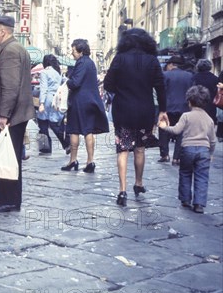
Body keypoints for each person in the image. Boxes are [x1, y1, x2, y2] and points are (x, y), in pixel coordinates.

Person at [103, 28, 167, 207]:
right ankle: (138, 183)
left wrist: (122, 90)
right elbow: (161, 87)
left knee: (122, 149)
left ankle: (122, 191)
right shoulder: (152, 60)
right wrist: (162, 109)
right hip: (145, 110)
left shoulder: (119, 59)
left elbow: (108, 84)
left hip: (123, 110)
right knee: (140, 148)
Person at [0, 16, 35, 212]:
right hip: (14, 114)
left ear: (2, 32)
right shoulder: (14, 48)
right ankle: (4, 197)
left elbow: (10, 87)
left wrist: (3, 115)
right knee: (6, 155)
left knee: (8, 156)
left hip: (11, 116)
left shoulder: (11, 51)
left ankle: (10, 201)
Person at [159, 85, 217, 214]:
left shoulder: (186, 116)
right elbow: (213, 140)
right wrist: (211, 153)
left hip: (187, 149)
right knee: (202, 176)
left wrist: (164, 127)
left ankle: (185, 199)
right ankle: (199, 204)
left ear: (189, 101)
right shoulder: (209, 119)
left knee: (185, 173)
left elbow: (176, 130)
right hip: (204, 150)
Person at [61, 39, 109, 173]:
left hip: (79, 102)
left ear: (81, 51)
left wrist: (67, 81)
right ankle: (90, 161)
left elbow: (75, 82)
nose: (72, 53)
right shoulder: (91, 63)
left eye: (74, 51)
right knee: (89, 131)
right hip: (91, 101)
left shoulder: (81, 62)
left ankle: (73, 160)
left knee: (74, 130)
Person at [159, 56, 193, 165]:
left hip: (167, 108)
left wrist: (160, 109)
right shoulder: (189, 76)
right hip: (184, 108)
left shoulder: (165, 75)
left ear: (171, 64)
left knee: (164, 130)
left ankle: (165, 155)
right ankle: (177, 158)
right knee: (181, 133)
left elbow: (161, 92)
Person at [37, 54, 70, 155]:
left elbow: (43, 88)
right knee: (54, 122)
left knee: (42, 122)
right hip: (57, 99)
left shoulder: (44, 72)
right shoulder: (58, 73)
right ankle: (66, 143)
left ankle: (46, 147)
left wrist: (41, 103)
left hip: (47, 99)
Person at [192, 59, 218, 124]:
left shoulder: (194, 77)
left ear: (198, 67)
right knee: (210, 123)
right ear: (210, 67)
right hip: (211, 105)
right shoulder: (215, 78)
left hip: (197, 104)